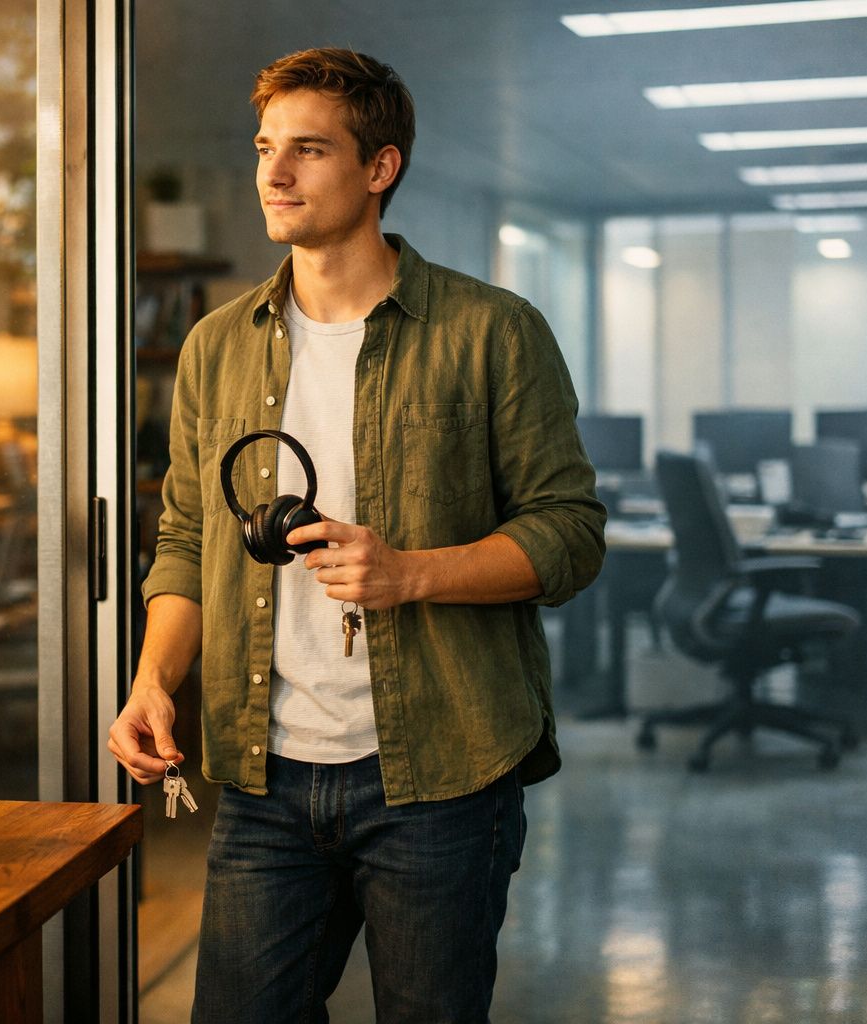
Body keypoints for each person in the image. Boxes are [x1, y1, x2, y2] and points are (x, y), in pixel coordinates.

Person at [107, 48, 605, 1022]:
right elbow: (184, 538)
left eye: (308, 150)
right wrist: (153, 678)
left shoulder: (493, 332)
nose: (273, 174)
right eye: (263, 148)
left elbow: (570, 535)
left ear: (380, 167)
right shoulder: (217, 344)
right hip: (263, 779)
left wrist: (411, 572)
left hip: (443, 776)